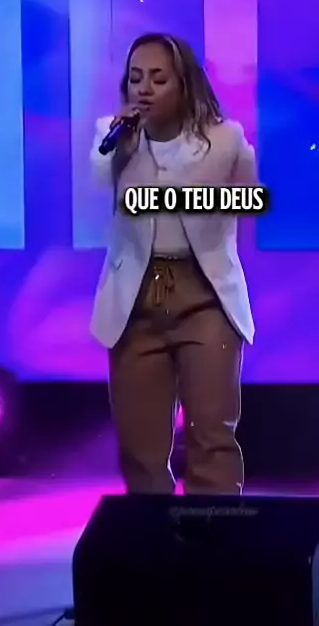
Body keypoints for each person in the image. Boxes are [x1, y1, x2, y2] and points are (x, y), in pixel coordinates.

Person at [89, 33, 257, 494]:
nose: (144, 88)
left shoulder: (225, 139)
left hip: (204, 294)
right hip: (135, 297)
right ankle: (154, 534)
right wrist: (121, 144)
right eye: (135, 78)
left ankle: (214, 530)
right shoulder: (114, 136)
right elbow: (97, 177)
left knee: (212, 433)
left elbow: (250, 200)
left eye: (158, 79)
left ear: (184, 84)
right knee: (139, 445)